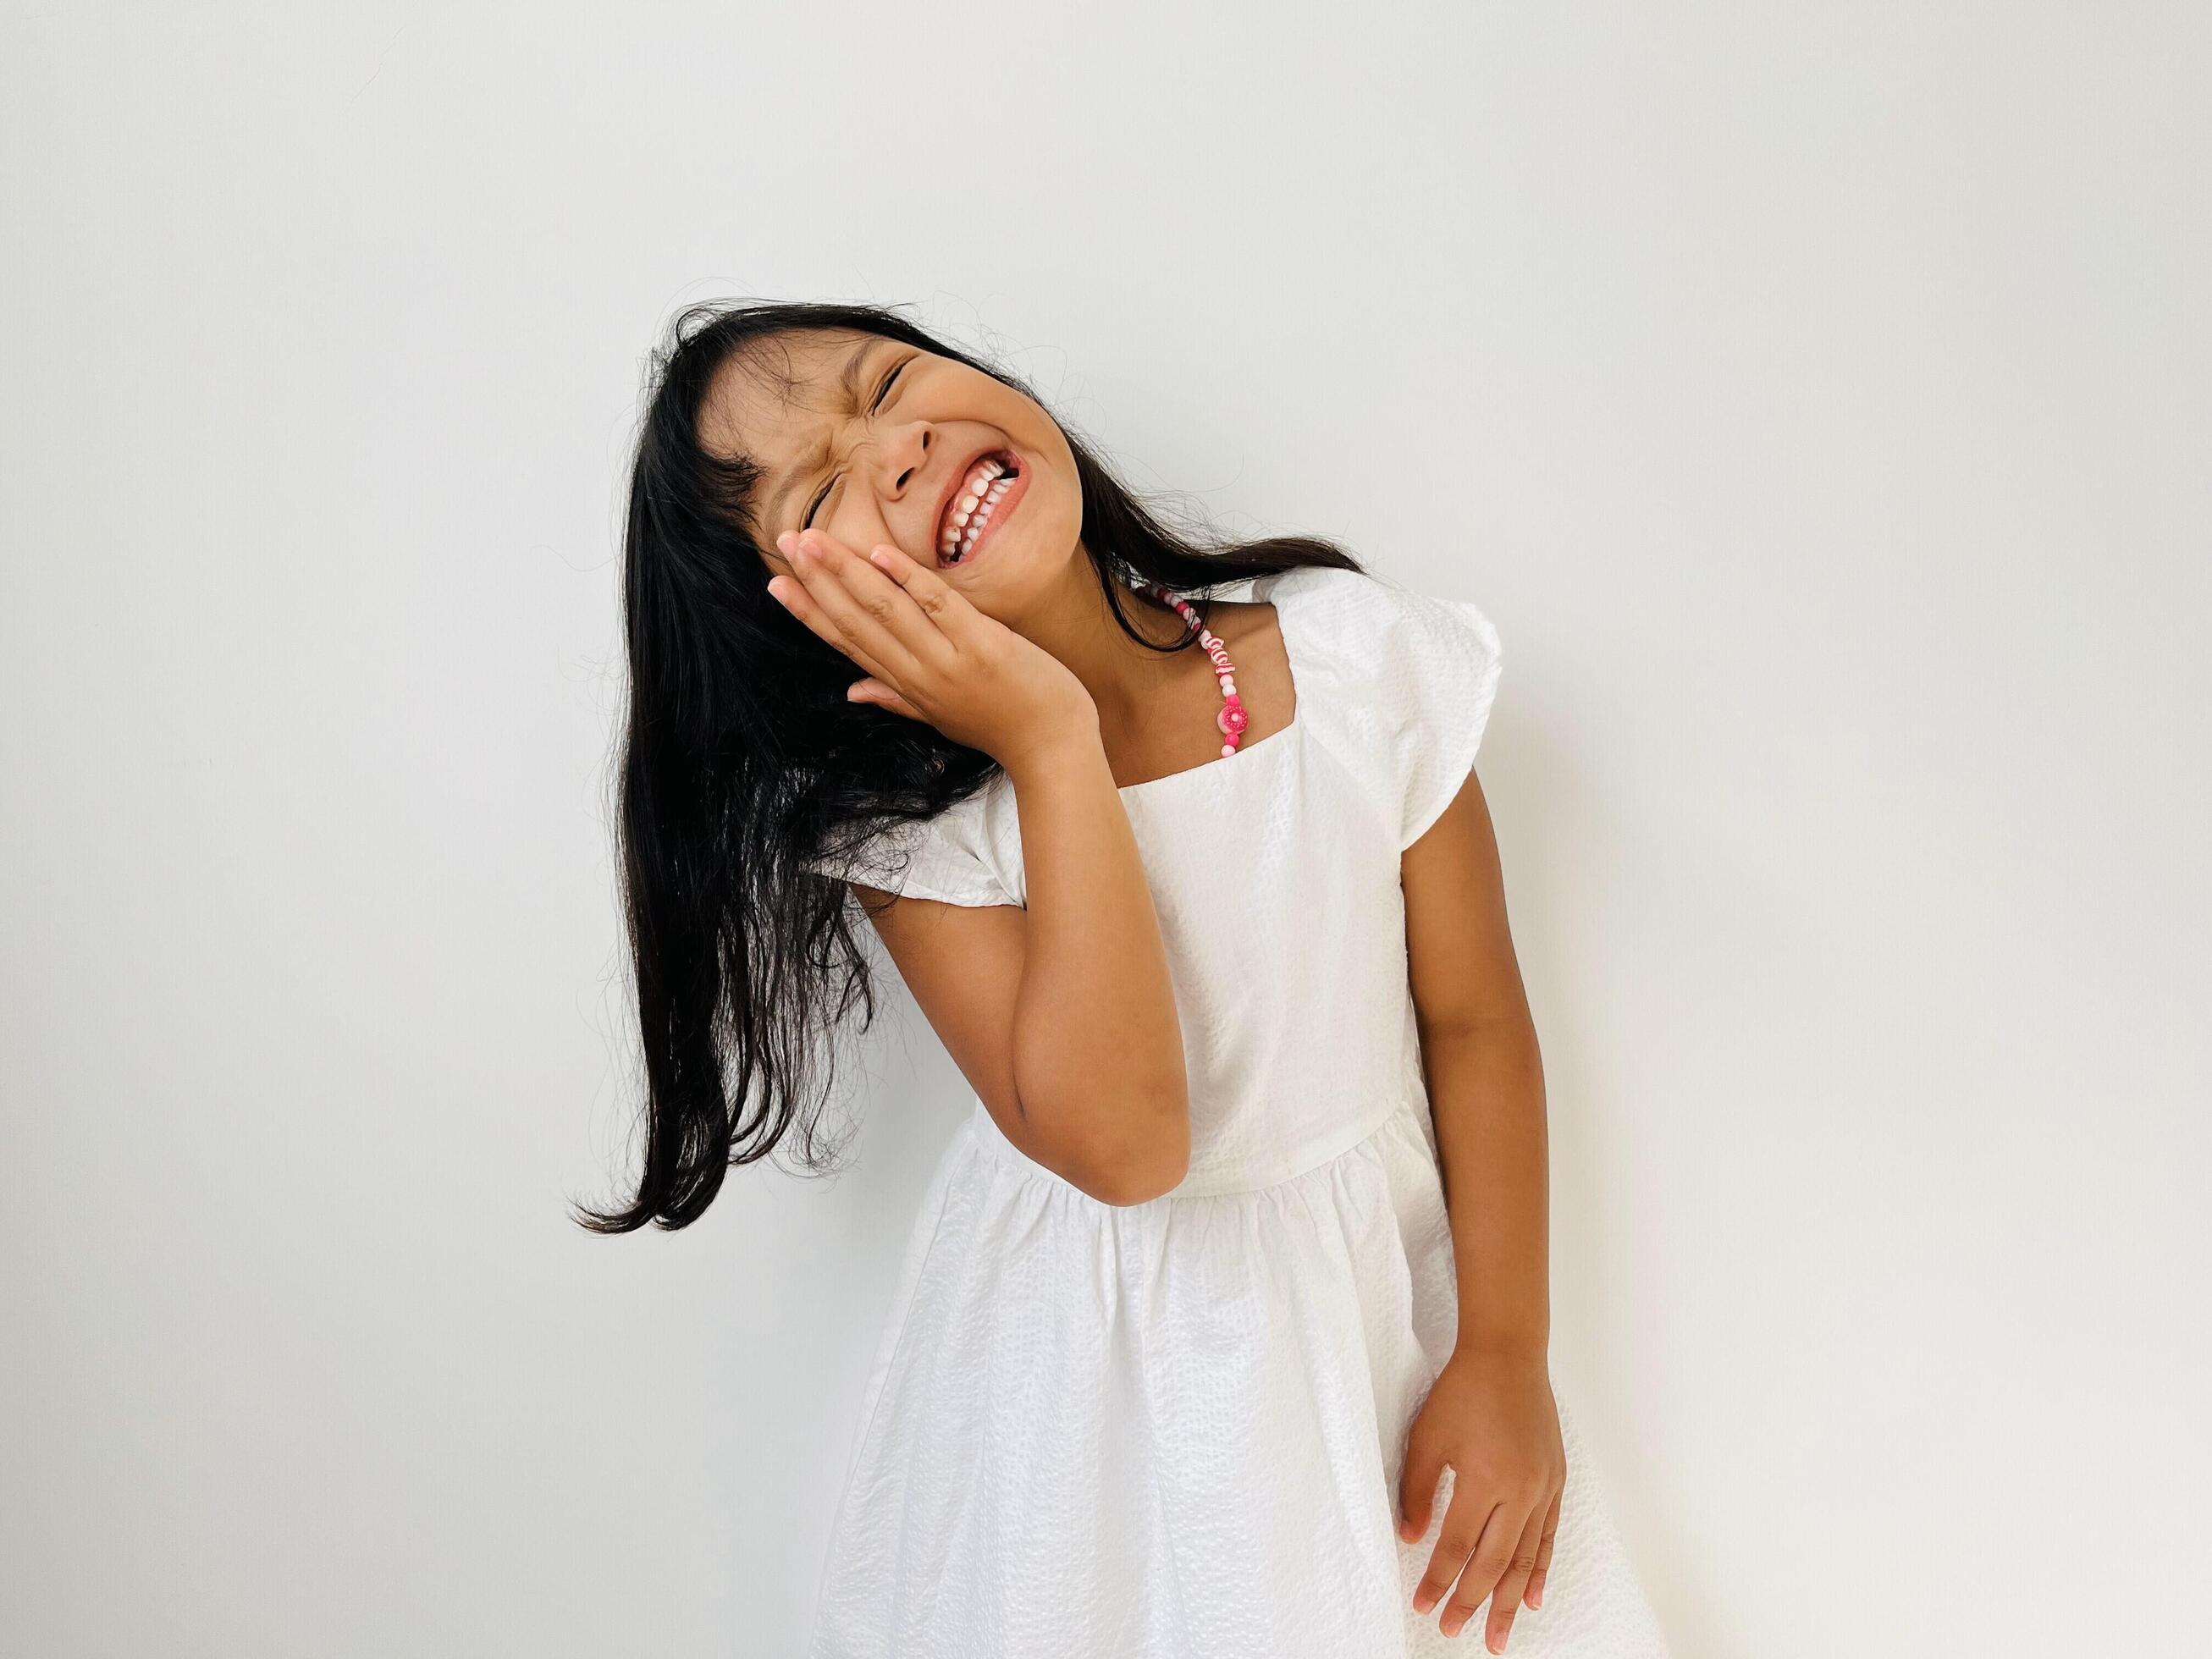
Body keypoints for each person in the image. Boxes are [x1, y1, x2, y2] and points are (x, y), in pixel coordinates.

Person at [582, 299, 1672, 1657]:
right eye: (824, 492)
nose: (899, 450)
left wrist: (1505, 1353)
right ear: (806, 626)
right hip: (1096, 1393)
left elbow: (1473, 1021)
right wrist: (1049, 743)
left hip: (1369, 1324)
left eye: (886, 386)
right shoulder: (920, 841)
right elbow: (1128, 1145)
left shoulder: (1347, 661)